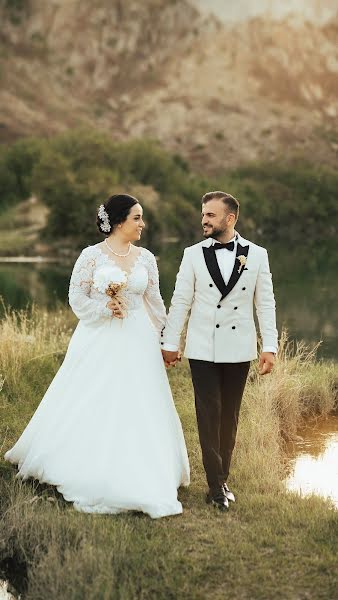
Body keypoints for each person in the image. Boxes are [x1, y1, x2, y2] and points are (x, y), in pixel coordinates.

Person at [5, 194, 190, 519]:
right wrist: (105, 307)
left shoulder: (146, 259)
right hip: (98, 337)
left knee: (141, 401)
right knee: (92, 396)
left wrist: (167, 338)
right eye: (137, 218)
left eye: (141, 218)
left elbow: (155, 302)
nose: (142, 224)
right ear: (119, 221)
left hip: (138, 340)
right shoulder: (91, 256)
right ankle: (82, 461)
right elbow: (76, 296)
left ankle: (145, 466)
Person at [161, 191, 277, 511]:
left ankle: (223, 477)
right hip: (203, 348)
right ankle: (215, 486)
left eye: (210, 215)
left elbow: (264, 304)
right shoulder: (193, 254)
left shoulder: (257, 255)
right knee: (208, 413)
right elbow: (181, 300)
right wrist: (170, 343)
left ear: (230, 219)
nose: (204, 220)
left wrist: (270, 346)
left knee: (230, 415)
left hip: (239, 350)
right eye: (203, 214)